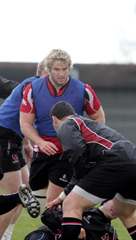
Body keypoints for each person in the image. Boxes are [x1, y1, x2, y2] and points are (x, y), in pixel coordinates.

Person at [19, 49, 105, 216]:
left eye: (65, 69)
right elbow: (25, 124)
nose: (61, 73)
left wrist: (82, 142)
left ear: (69, 69)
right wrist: (41, 142)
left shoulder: (83, 89)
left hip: (68, 153)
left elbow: (99, 118)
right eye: (57, 69)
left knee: (52, 207)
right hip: (42, 152)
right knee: (38, 201)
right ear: (48, 69)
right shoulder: (33, 89)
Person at [46, 101, 136, 240]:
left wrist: (68, 194)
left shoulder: (67, 124)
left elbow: (77, 152)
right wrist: (62, 196)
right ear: (75, 113)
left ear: (54, 119)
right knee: (126, 214)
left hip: (116, 162)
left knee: (71, 205)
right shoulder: (89, 125)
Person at [0, 59, 48, 240]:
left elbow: (26, 118)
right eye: (54, 70)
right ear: (43, 72)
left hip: (14, 140)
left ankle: (7, 234)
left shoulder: (38, 88)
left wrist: (27, 144)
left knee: (26, 191)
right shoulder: (32, 86)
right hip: (3, 138)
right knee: (14, 196)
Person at [25, 200, 119, 240]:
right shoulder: (82, 208)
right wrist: (73, 227)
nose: (116, 208)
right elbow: (47, 215)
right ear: (104, 202)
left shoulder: (110, 234)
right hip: (49, 236)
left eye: (120, 207)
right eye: (114, 203)